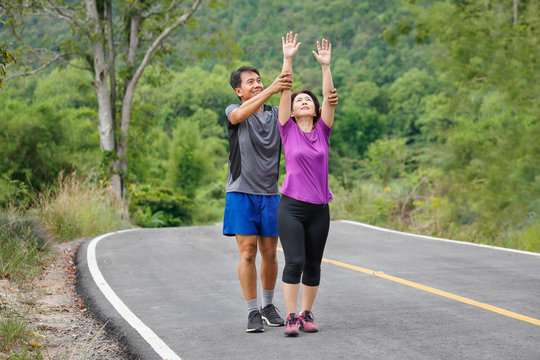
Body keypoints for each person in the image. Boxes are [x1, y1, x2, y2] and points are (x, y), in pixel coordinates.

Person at [224, 62, 338, 333]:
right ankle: (252, 311)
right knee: (248, 252)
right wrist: (273, 88)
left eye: (259, 80)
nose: (257, 84)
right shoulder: (234, 109)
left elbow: (298, 112)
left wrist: (323, 96)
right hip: (241, 191)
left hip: (272, 193)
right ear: (238, 90)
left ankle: (267, 306)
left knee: (270, 254)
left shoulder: (277, 115)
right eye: (250, 82)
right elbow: (238, 116)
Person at [276, 32, 337, 337]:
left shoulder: (323, 130)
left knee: (313, 264)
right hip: (291, 206)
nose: (302, 102)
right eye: (298, 100)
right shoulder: (287, 129)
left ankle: (306, 313)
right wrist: (288, 59)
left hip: (319, 209)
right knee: (295, 261)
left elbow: (329, 98)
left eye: (307, 101)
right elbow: (285, 90)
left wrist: (326, 67)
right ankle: (290, 317)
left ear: (314, 110)